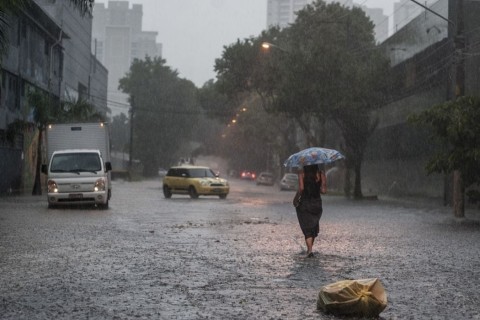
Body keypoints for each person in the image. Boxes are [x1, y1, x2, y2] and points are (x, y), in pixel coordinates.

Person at [295, 164, 327, 258]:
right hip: (317, 204)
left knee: (307, 228)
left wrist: (295, 199)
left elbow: (301, 188)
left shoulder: (302, 173)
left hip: (305, 203)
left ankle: (309, 250)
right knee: (313, 226)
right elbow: (324, 191)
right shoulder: (321, 174)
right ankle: (310, 248)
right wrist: (317, 187)